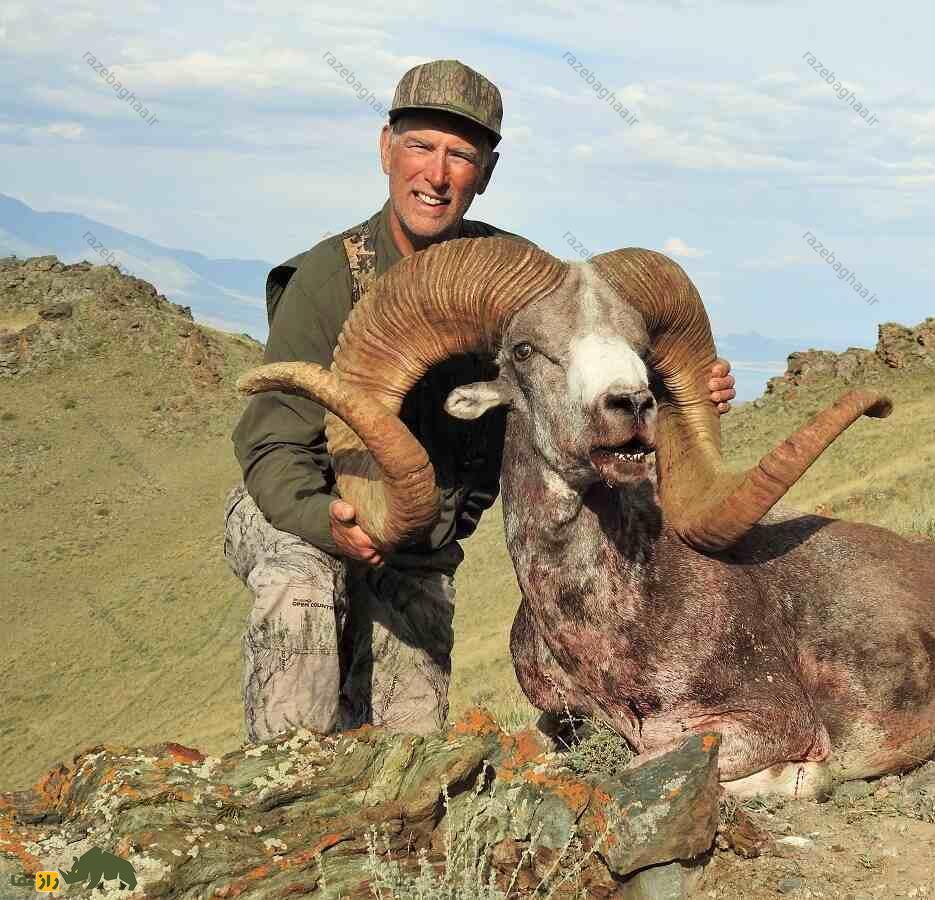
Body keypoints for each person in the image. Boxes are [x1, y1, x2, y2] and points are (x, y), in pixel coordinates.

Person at [222, 59, 737, 742]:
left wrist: (680, 391)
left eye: (460, 155)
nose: (436, 174)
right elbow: (273, 444)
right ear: (386, 149)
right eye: (420, 145)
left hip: (415, 545)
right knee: (302, 592)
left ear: (485, 173)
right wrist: (330, 520)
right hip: (311, 510)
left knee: (409, 745)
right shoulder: (325, 280)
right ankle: (283, 794)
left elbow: (590, 369)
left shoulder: (519, 277)